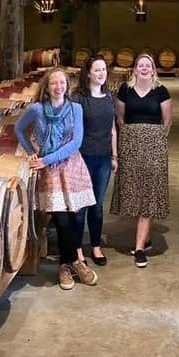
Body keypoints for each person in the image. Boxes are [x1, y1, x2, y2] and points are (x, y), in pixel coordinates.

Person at [15, 67, 98, 290]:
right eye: (54, 83)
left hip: (72, 166)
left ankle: (70, 263)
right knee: (61, 220)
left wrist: (47, 158)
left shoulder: (76, 109)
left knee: (76, 218)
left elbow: (75, 143)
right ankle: (70, 264)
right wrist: (31, 151)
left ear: (67, 86)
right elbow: (19, 129)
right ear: (47, 87)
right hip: (50, 171)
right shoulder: (37, 109)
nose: (58, 87)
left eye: (62, 83)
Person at [110, 53, 172, 268]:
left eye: (148, 65)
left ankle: (138, 248)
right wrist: (129, 139)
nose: (144, 68)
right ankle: (145, 239)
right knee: (135, 191)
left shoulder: (161, 91)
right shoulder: (125, 90)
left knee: (149, 192)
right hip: (130, 145)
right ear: (135, 69)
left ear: (153, 69)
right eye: (140, 65)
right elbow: (120, 118)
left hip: (154, 145)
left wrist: (154, 140)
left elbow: (168, 121)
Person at [72, 55, 118, 266]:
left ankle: (96, 246)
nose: (101, 74)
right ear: (88, 73)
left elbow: (113, 129)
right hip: (82, 157)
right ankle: (78, 248)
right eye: (97, 70)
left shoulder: (110, 97)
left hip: (103, 158)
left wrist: (114, 155)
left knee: (97, 204)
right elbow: (71, 130)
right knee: (81, 204)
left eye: (104, 70)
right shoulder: (78, 99)